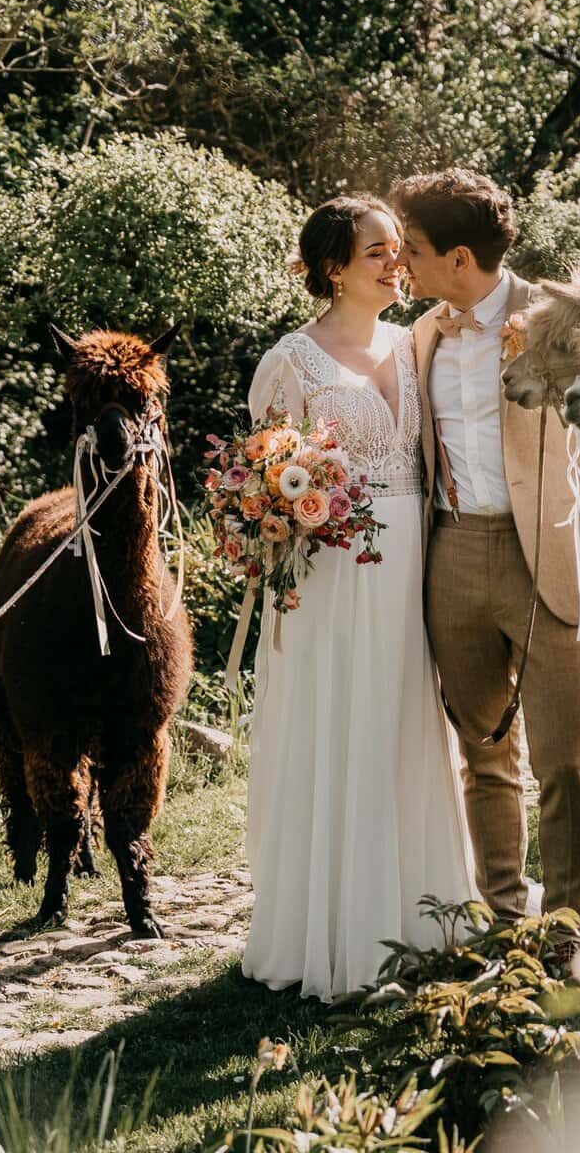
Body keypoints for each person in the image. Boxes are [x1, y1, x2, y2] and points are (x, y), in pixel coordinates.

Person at [239, 195, 479, 1000]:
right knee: (336, 725)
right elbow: (262, 481)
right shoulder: (291, 360)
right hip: (331, 571)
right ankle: (330, 931)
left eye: (397, 251)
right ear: (334, 267)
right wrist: (282, 510)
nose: (396, 263)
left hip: (408, 557)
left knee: (400, 724)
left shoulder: (417, 343)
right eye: (377, 252)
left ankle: (419, 916)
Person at [393, 169, 580, 932]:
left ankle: (565, 929)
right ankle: (502, 919)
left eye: (415, 251)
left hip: (551, 556)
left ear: (461, 258)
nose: (403, 265)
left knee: (565, 760)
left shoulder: (566, 317)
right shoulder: (422, 334)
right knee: (484, 756)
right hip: (452, 555)